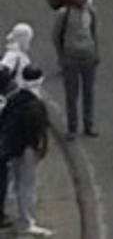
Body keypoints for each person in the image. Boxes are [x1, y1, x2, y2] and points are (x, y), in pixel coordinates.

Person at [0, 66, 51, 236]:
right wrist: (39, 149)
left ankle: (18, 211)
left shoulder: (15, 99)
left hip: (13, 148)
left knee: (16, 182)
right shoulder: (35, 103)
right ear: (39, 81)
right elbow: (38, 131)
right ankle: (26, 220)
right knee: (27, 185)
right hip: (28, 149)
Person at [52, 0, 98, 139]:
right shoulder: (64, 14)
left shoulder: (90, 12)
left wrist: (96, 52)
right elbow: (56, 37)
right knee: (72, 95)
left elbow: (94, 33)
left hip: (88, 57)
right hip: (70, 59)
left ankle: (89, 125)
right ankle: (72, 127)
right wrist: (61, 56)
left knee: (88, 93)